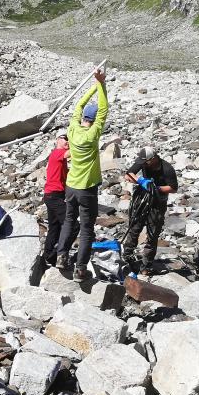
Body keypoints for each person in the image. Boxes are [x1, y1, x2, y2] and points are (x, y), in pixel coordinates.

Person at [56, 68, 109, 282]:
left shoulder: (72, 129)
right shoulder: (93, 134)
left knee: (69, 220)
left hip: (71, 186)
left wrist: (93, 87)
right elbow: (104, 109)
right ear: (94, 120)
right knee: (87, 229)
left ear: (83, 117)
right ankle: (80, 269)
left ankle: (61, 257)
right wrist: (101, 84)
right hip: (87, 188)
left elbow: (78, 106)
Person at [123, 146, 178, 275]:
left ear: (153, 159)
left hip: (158, 203)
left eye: (146, 162)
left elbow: (173, 188)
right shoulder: (142, 162)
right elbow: (128, 175)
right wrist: (141, 181)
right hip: (142, 200)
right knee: (134, 228)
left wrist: (156, 188)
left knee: (152, 234)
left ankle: (146, 266)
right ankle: (126, 257)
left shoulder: (167, 168)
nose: (143, 164)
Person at [42, 129, 70, 266]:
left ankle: (48, 256)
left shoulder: (60, 157)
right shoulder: (57, 153)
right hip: (53, 196)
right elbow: (71, 153)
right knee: (72, 225)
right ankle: (59, 254)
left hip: (52, 195)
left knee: (54, 227)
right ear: (58, 139)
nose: (68, 142)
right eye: (65, 138)